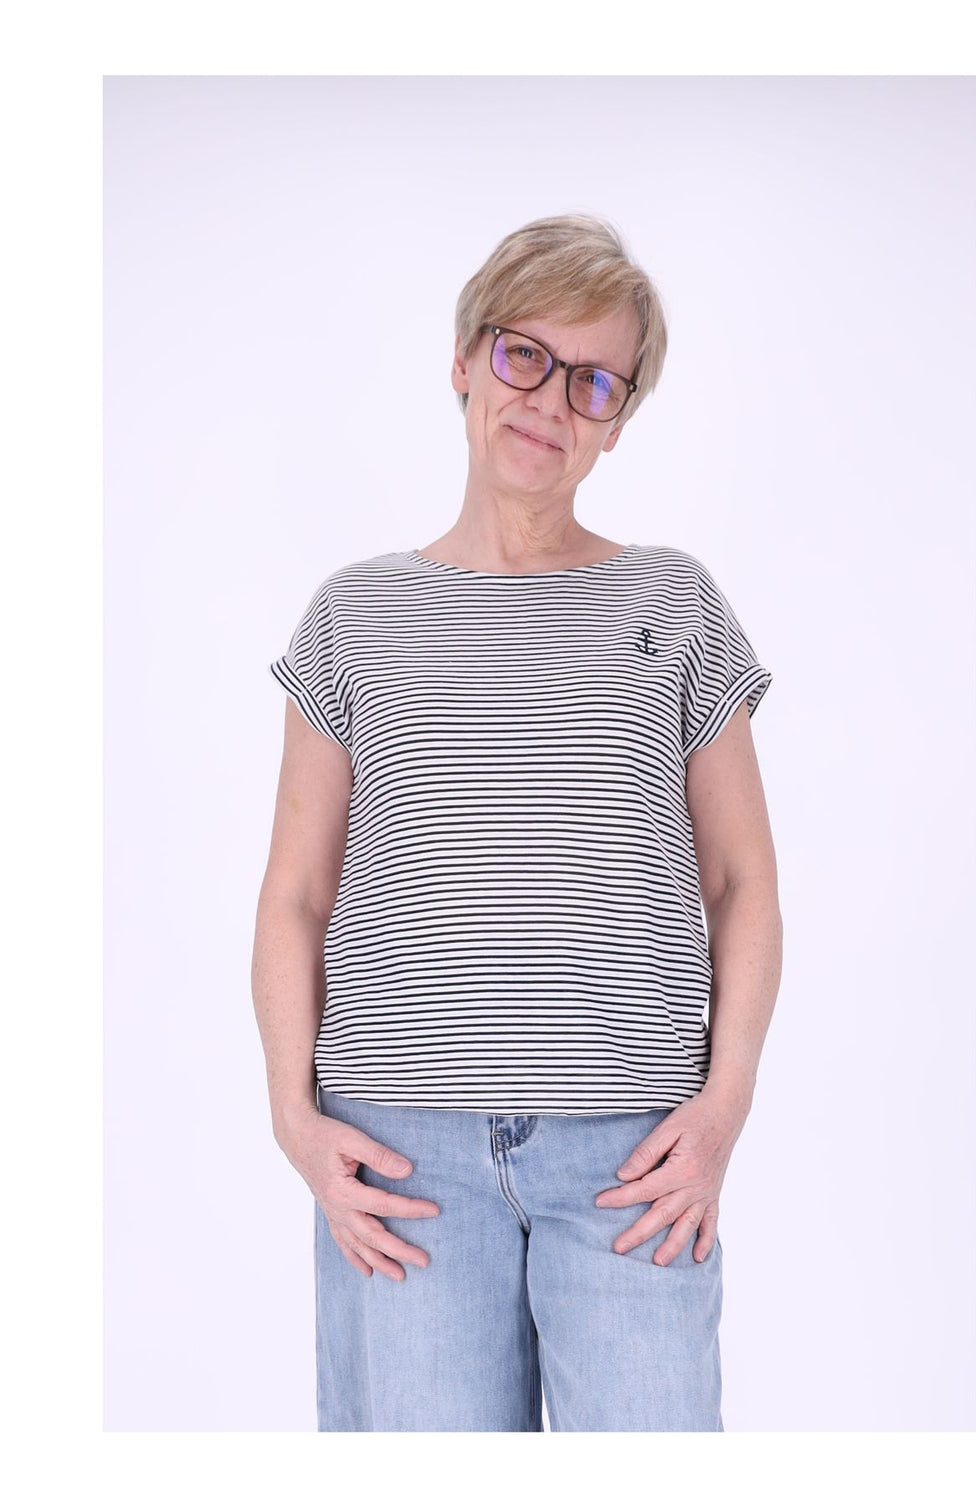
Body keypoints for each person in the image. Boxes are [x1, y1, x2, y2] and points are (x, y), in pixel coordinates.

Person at [252, 213, 782, 1432]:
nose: (551, 400)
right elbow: (295, 895)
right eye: (524, 354)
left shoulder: (675, 602)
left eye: (594, 380)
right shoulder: (354, 614)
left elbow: (744, 881)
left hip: (635, 1163)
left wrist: (725, 1105)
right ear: (464, 359)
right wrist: (294, 1116)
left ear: (618, 416)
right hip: (402, 1165)